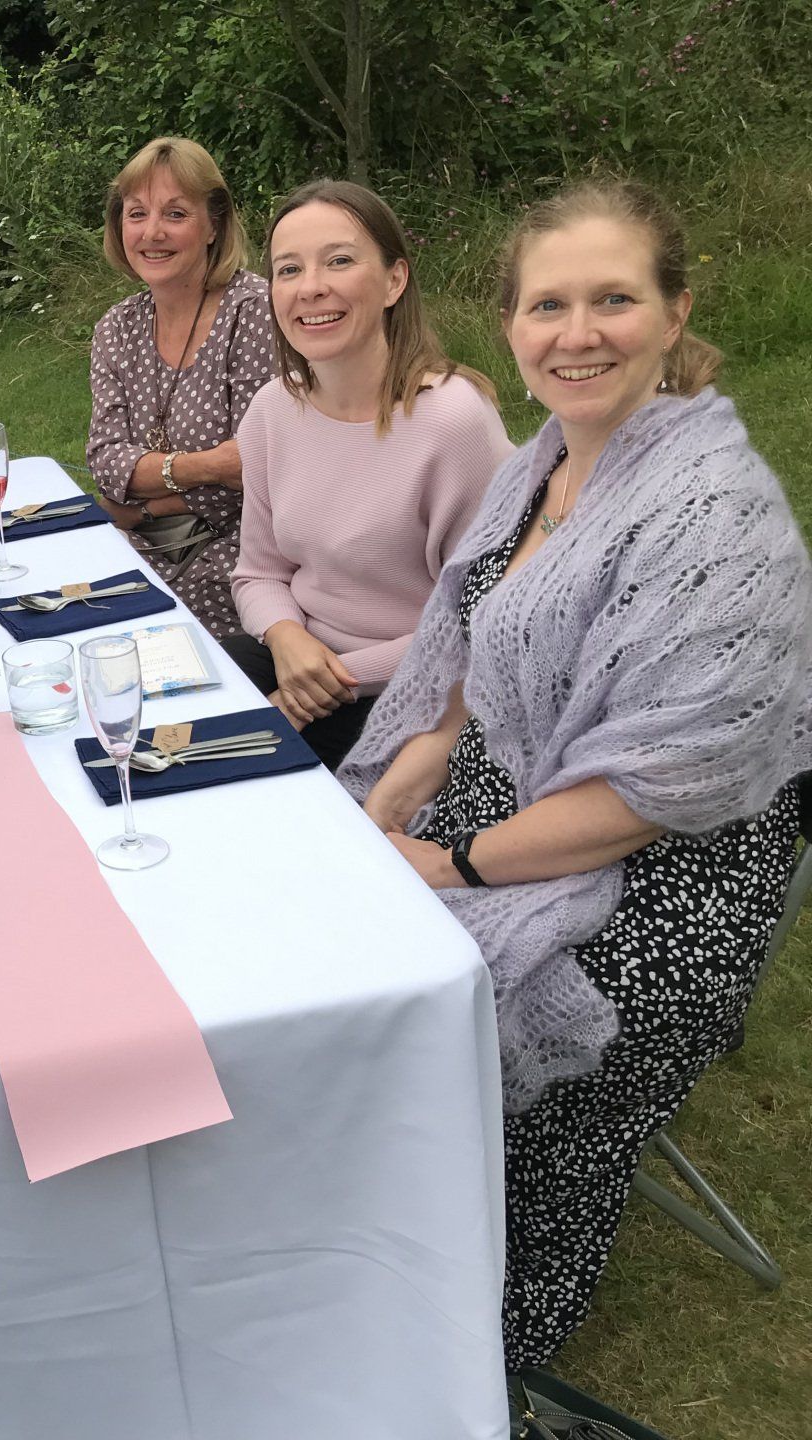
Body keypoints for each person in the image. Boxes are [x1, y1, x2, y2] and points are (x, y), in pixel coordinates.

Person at [339, 181, 811, 1369]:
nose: (577, 332)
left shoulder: (713, 512)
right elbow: (481, 636)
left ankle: (488, 1338)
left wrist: (447, 862)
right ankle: (358, 1237)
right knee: (326, 937)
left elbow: (660, 790)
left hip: (665, 887)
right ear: (511, 324)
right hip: (520, 802)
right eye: (548, 304)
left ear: (675, 312)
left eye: (615, 300)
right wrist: (423, 754)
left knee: (434, 1018)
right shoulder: (546, 461)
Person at [228, 179, 512, 769]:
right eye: (288, 269)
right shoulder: (272, 411)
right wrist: (286, 639)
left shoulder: (453, 422)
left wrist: (330, 681)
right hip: (300, 659)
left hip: (425, 690)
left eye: (339, 261)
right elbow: (259, 573)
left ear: (394, 280)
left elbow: (482, 619)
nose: (311, 287)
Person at [86, 137, 276, 639]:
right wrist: (206, 467)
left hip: (236, 559)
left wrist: (139, 505)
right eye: (137, 213)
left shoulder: (253, 311)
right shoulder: (117, 326)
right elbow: (105, 462)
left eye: (175, 214)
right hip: (137, 547)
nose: (152, 232)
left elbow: (257, 469)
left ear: (213, 224)